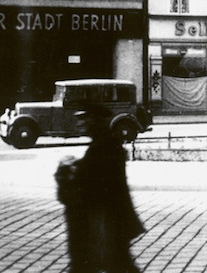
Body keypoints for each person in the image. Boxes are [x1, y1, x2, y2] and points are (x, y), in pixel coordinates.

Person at [55, 103, 144, 273]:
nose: (79, 124)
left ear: (93, 121)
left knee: (102, 266)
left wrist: (65, 172)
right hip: (110, 223)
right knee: (120, 265)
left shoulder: (101, 148)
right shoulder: (107, 144)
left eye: (84, 120)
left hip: (102, 225)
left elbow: (86, 186)